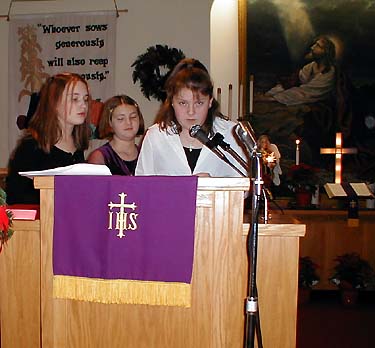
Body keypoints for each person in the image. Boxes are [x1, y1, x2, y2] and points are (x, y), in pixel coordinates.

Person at [135, 58, 247, 177]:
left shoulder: (231, 133)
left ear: (210, 102)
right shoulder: (155, 136)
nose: (191, 112)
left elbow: (246, 184)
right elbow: (142, 186)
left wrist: (214, 185)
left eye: (199, 103)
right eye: (183, 103)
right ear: (172, 102)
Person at [6, 73, 91, 204]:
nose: (83, 106)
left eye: (85, 99)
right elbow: (16, 197)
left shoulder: (78, 144)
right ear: (54, 103)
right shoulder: (31, 146)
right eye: (75, 99)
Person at [257, 35, 336, 106]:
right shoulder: (311, 65)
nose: (312, 47)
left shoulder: (330, 71)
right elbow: (298, 79)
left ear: (325, 51)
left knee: (295, 93)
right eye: (314, 44)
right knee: (281, 88)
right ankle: (268, 96)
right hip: (302, 90)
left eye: (317, 46)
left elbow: (311, 91)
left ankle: (271, 99)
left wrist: (289, 90)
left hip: (309, 94)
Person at [87, 95, 145, 175]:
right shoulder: (100, 157)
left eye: (133, 117)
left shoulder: (145, 155)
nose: (128, 122)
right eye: (121, 119)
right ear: (110, 122)